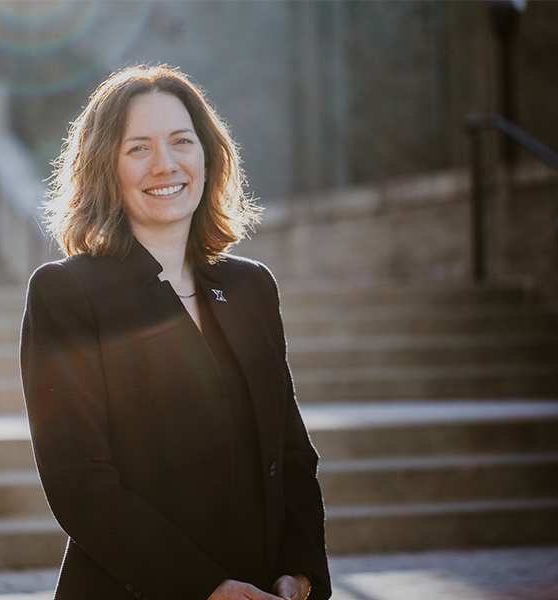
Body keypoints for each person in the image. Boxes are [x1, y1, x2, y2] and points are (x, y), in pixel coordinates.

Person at [20, 64, 330, 600]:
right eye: (137, 148)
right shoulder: (67, 294)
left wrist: (299, 570)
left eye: (181, 141)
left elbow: (292, 452)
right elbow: (80, 481)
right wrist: (205, 588)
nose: (165, 164)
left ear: (207, 156)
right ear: (105, 169)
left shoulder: (252, 287)